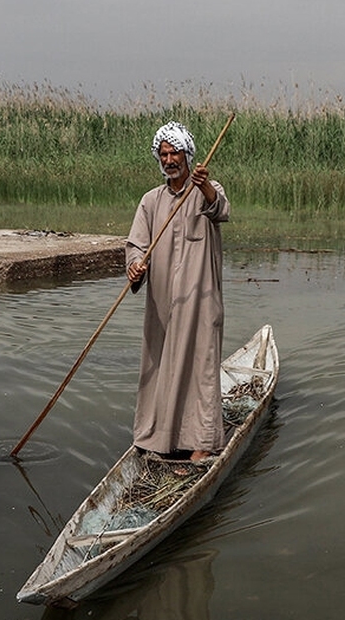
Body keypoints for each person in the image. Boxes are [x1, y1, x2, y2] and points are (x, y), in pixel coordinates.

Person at [126, 121, 229, 463]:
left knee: (201, 367)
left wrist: (204, 188)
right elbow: (136, 245)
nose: (170, 160)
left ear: (188, 156)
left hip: (200, 302)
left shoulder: (206, 191)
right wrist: (136, 266)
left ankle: (201, 441)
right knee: (159, 367)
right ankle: (158, 438)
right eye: (164, 154)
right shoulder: (151, 201)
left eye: (176, 153)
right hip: (162, 304)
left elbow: (221, 209)